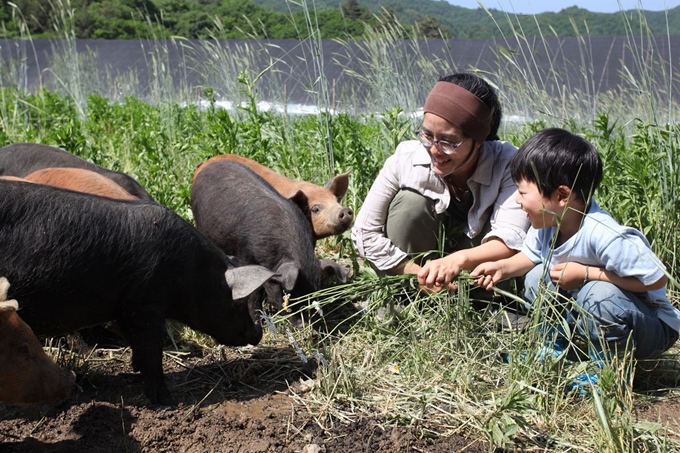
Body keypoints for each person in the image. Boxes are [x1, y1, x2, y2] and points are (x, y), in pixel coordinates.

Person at [472, 128, 680, 362]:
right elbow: (529, 257)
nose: (518, 201)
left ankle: (609, 370)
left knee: (598, 293)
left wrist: (587, 274)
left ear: (562, 196)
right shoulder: (549, 223)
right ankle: (555, 347)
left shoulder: (604, 234)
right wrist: (501, 268)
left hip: (652, 326)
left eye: (522, 192)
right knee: (537, 277)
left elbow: (657, 279)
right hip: (597, 315)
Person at [351, 73, 530, 294]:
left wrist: (457, 260)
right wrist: (419, 275)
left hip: (475, 275)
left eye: (448, 142)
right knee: (410, 203)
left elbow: (511, 238)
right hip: (415, 271)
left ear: (479, 140)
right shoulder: (406, 158)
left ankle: (477, 302)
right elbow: (364, 232)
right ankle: (406, 296)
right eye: (427, 135)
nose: (434, 150)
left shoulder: (509, 165)